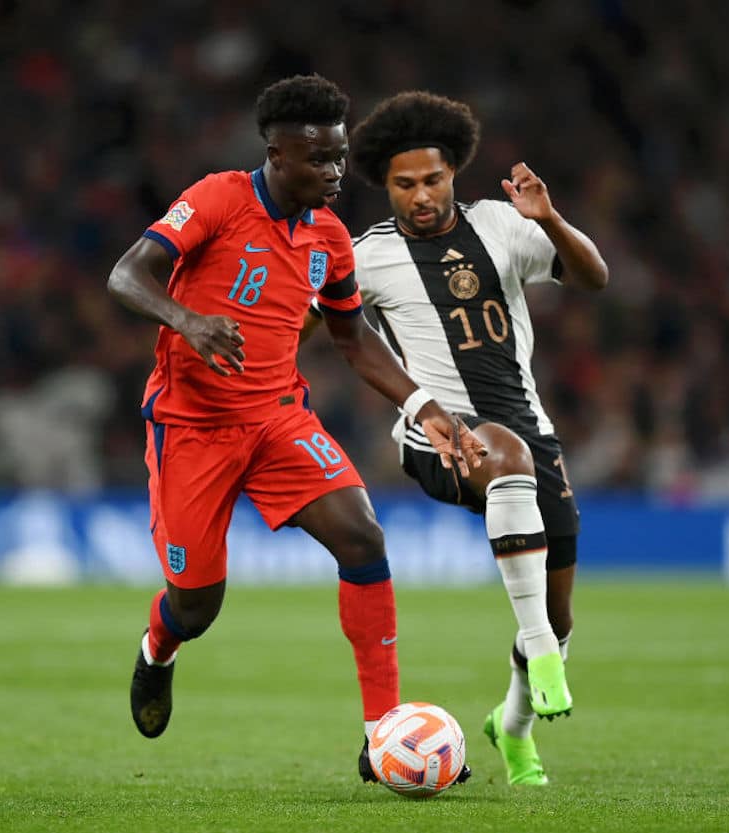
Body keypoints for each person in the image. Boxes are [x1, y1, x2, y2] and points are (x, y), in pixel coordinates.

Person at [106, 75, 484, 782]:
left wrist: (425, 408)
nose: (336, 172)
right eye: (320, 159)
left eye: (340, 157)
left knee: (364, 536)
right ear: (277, 154)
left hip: (278, 418)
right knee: (198, 604)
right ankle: (160, 646)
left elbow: (354, 340)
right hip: (192, 427)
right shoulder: (219, 197)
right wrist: (190, 323)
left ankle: (381, 738)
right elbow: (128, 275)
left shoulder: (330, 239)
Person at [318, 91, 609, 786]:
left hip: (530, 430)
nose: (422, 195)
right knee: (500, 456)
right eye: (405, 184)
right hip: (436, 439)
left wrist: (552, 220)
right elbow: (318, 327)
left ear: (455, 173)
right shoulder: (368, 257)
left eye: (433, 179)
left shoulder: (504, 224)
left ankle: (510, 727)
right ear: (384, 186)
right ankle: (537, 649)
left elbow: (594, 277)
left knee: (560, 608)